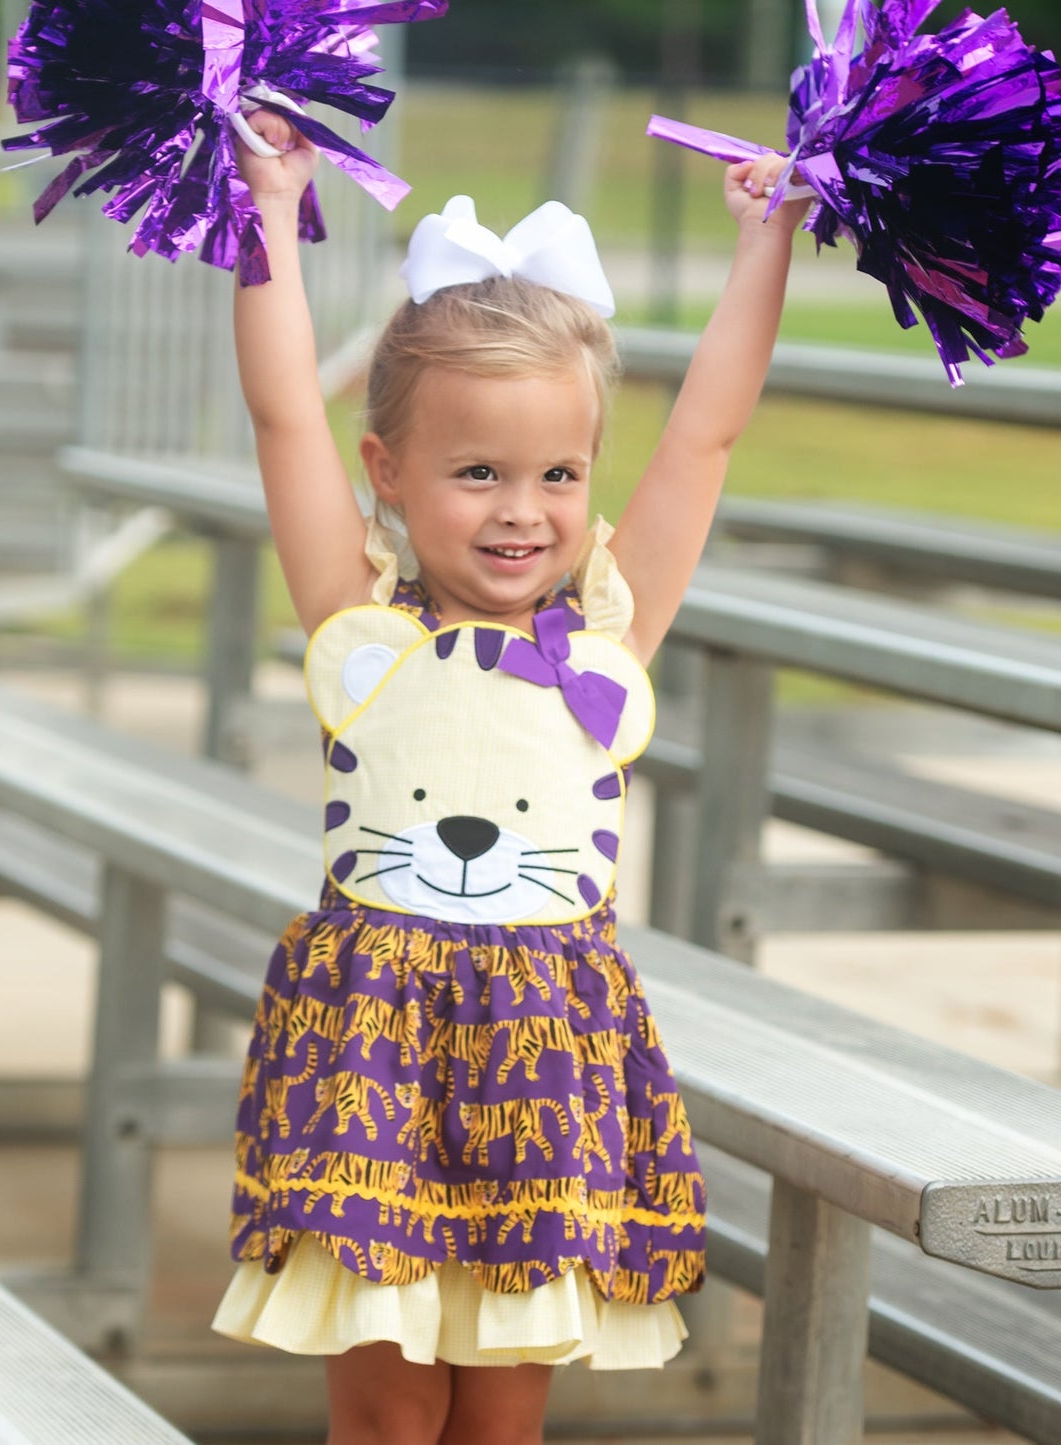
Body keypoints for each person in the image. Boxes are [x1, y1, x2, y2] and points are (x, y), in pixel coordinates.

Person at [211, 108, 807, 1445]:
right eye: (475, 471)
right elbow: (277, 418)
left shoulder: (605, 635)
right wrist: (265, 206)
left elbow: (703, 438)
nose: (520, 508)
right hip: (370, 1059)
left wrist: (767, 241)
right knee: (383, 1417)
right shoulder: (354, 628)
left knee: (497, 1424)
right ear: (390, 472)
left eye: (555, 474)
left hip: (543, 1068)